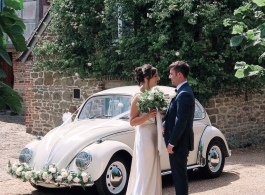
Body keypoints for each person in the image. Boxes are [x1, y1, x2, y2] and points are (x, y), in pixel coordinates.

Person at [126, 64, 162, 195]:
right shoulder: (138, 96)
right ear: (147, 78)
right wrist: (147, 116)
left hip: (154, 134)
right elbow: (132, 121)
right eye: (155, 76)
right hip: (145, 136)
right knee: (145, 171)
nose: (158, 78)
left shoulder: (153, 94)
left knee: (153, 170)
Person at [163, 61, 195, 195]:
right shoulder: (180, 92)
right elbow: (173, 113)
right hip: (177, 143)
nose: (169, 77)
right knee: (177, 176)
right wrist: (164, 125)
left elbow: (181, 121)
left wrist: (172, 142)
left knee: (179, 177)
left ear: (179, 74)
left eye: (171, 74)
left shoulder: (184, 94)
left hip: (179, 144)